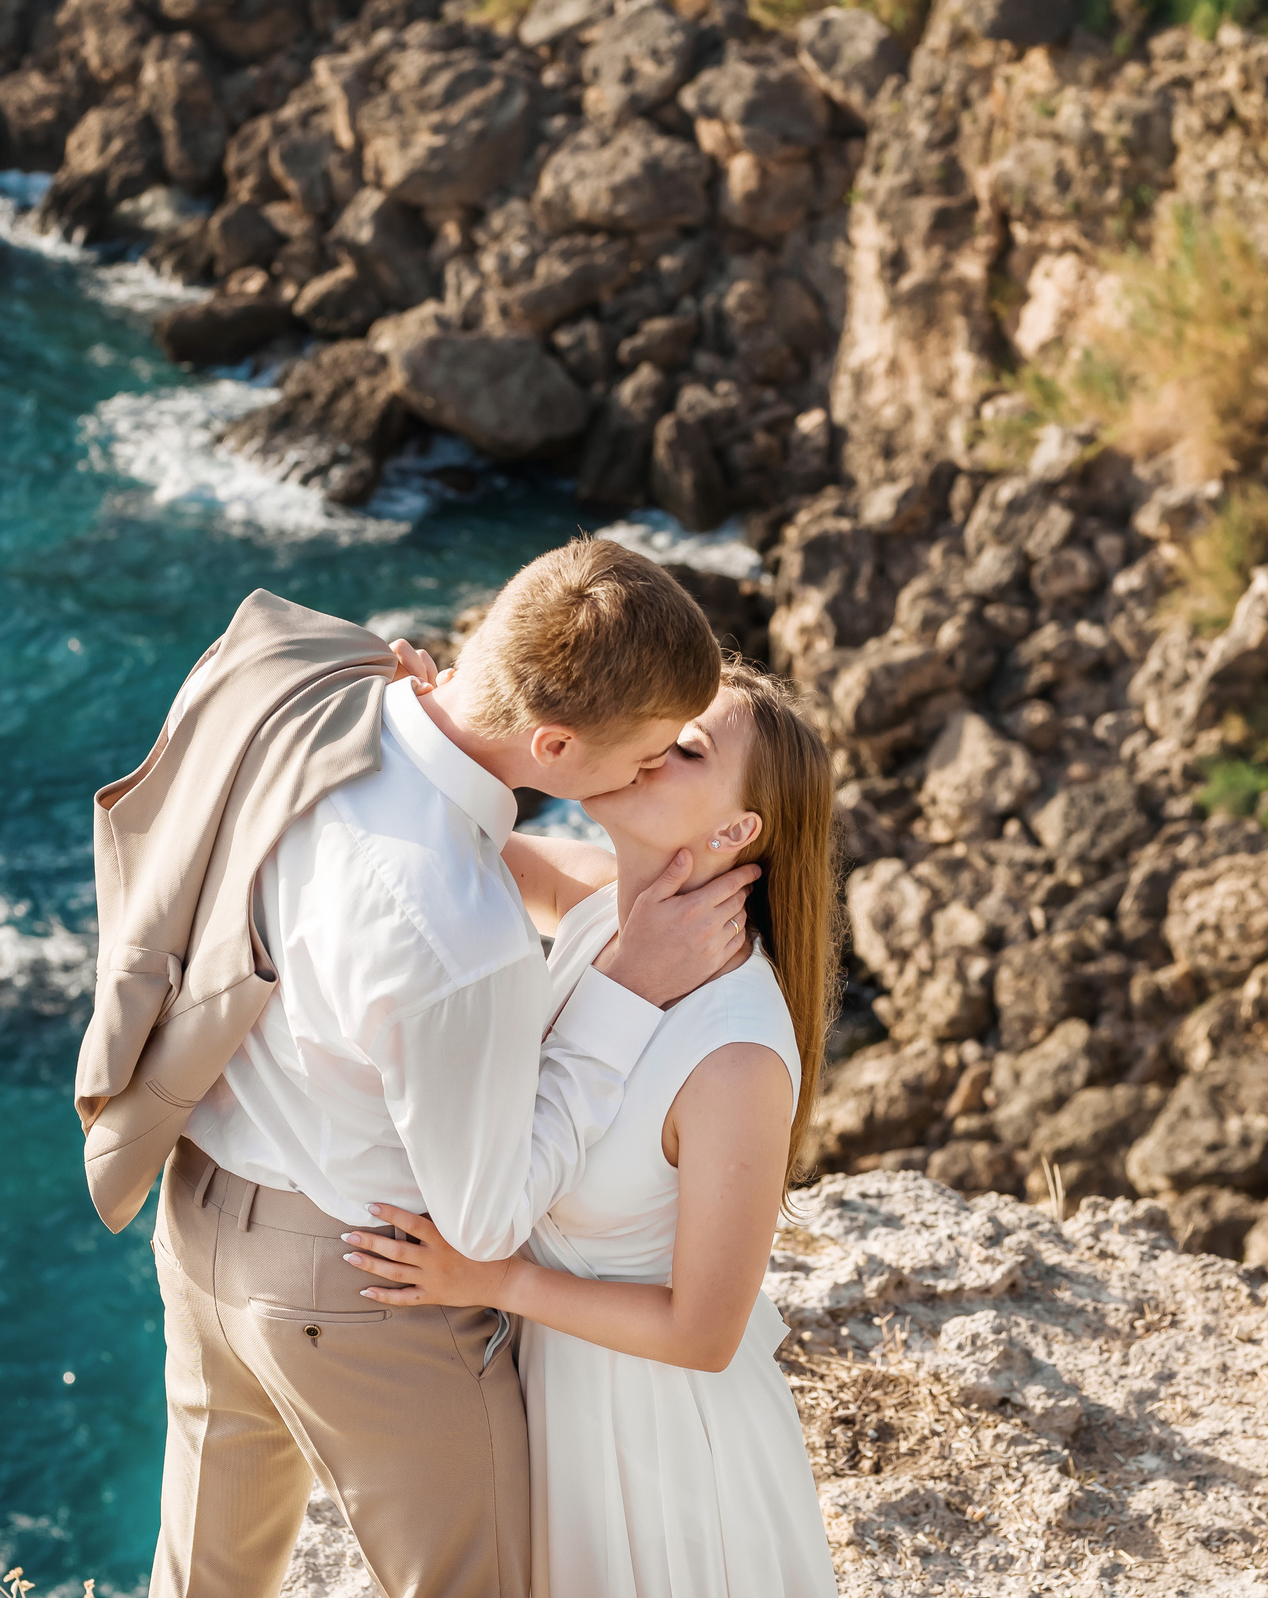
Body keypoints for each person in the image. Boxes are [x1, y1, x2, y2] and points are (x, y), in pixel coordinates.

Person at [85, 540, 763, 1598]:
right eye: (639, 754)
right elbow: (486, 1219)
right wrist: (623, 986)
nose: (643, 773)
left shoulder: (302, 681)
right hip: (355, 1289)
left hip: (201, 1225)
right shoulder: (459, 934)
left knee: (202, 1583)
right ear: (551, 740)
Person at [345, 659, 842, 1598]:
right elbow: (455, 842)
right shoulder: (594, 908)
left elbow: (706, 1331)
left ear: (738, 831)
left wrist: (493, 1276)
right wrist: (430, 715)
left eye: (683, 747)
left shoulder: (732, 1053)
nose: (646, 744)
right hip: (552, 1399)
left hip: (663, 1445)